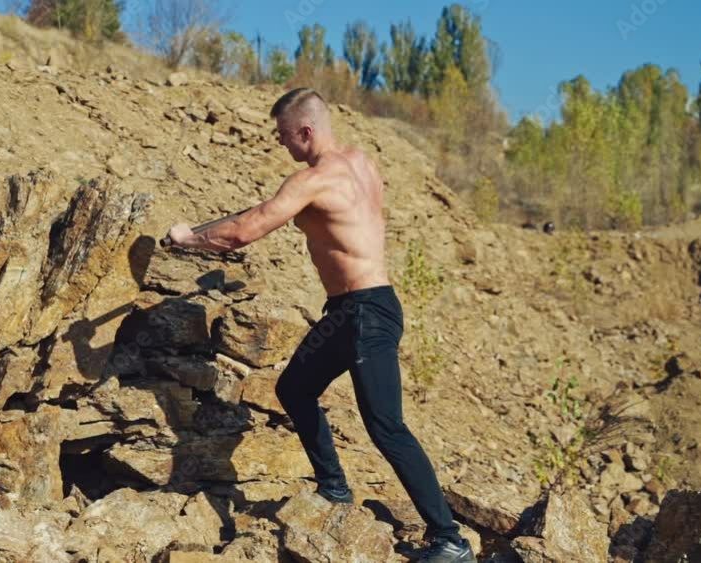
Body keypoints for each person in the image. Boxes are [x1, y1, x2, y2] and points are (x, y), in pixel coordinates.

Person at [166, 88, 475, 563]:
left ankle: (449, 540)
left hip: (363, 314)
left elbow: (246, 232)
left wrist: (190, 240)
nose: (281, 145)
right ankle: (333, 489)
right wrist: (200, 231)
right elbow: (256, 215)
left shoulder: (312, 180)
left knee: (385, 425)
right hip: (355, 312)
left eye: (284, 136)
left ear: (305, 132)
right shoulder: (361, 164)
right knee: (295, 388)